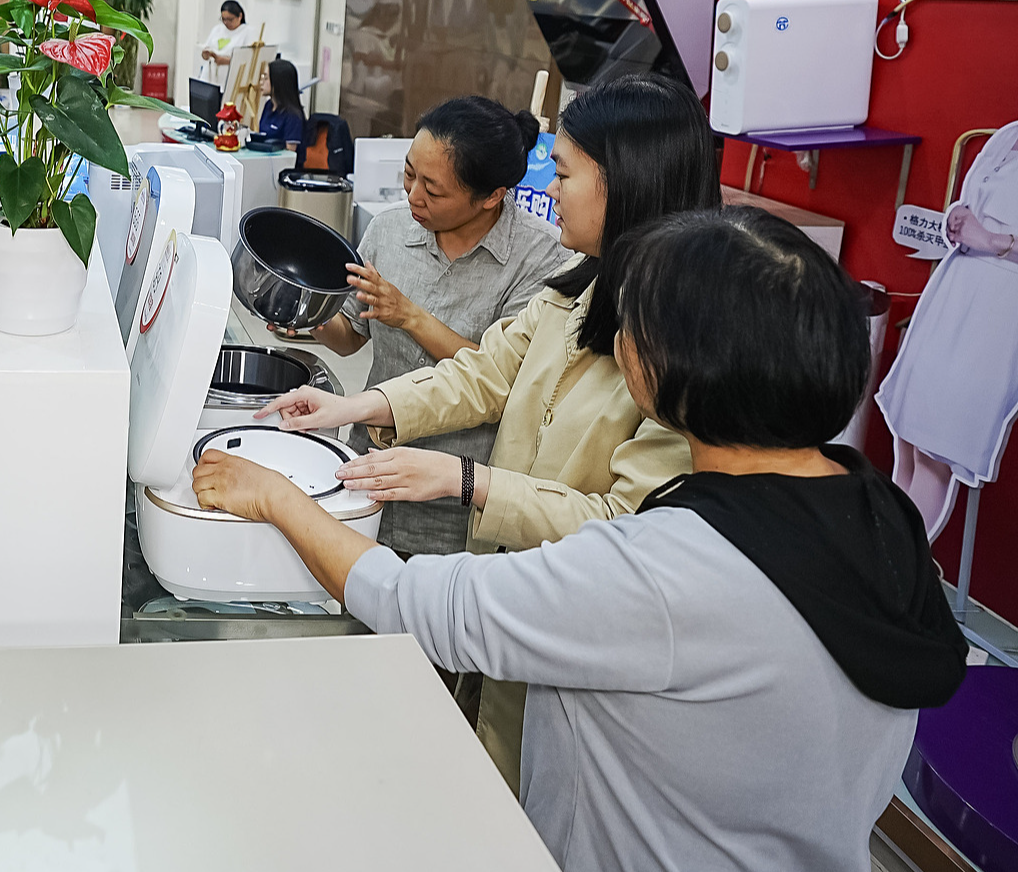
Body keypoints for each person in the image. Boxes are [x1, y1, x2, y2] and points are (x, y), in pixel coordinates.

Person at [196, 206, 967, 872]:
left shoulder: (667, 571)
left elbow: (412, 600)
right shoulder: (881, 516)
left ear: (671, 365)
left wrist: (277, 498)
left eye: (636, 321)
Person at [256, 72, 717, 785]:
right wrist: (355, 407)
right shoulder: (585, 286)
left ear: (627, 181)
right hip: (503, 575)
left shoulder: (684, 339)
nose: (552, 189)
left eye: (563, 174)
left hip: (578, 622)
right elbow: (485, 375)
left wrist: (466, 479)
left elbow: (627, 522)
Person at [302, 96, 575, 556]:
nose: (413, 196)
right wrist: (308, 316)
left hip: (455, 502)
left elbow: (503, 379)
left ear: (491, 196)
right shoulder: (389, 231)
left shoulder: (541, 256)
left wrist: (409, 315)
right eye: (409, 174)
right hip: (364, 471)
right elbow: (351, 337)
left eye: (433, 188)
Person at [878, 118, 1018, 518]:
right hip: (955, 290)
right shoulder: (1009, 133)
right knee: (907, 437)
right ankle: (882, 556)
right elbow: (977, 203)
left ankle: (897, 570)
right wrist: (959, 217)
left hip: (999, 312)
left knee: (935, 450)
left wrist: (993, 241)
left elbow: (992, 233)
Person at [255, 57, 307, 148]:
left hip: (281, 161)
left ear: (278, 81)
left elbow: (290, 155)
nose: (261, 82)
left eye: (266, 78)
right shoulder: (268, 105)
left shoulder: (292, 115)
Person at [197, 0, 248, 88]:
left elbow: (248, 58)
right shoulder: (217, 29)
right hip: (211, 78)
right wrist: (206, 55)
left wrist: (226, 60)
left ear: (240, 16)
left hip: (231, 80)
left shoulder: (247, 32)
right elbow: (207, 47)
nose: (226, 22)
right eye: (223, 19)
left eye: (230, 19)